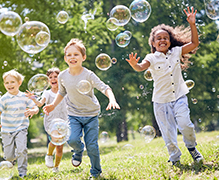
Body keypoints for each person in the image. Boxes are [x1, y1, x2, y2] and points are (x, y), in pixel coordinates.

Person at [125, 6, 203, 166]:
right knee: (168, 134)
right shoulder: (151, 57)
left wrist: (192, 24)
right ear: (153, 43)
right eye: (158, 38)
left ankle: (192, 148)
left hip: (179, 96)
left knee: (186, 125)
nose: (162, 40)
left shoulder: (176, 51)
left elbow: (194, 43)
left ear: (170, 41)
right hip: (161, 102)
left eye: (165, 38)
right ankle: (175, 158)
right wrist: (134, 64)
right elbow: (141, 67)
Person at [43, 38, 121, 178]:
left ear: (83, 57)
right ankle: (78, 150)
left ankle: (96, 173)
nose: (72, 57)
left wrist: (112, 98)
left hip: (91, 115)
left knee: (93, 147)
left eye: (76, 54)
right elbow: (62, 92)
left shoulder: (88, 75)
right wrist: (52, 105)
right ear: (65, 58)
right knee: (71, 139)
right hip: (73, 114)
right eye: (69, 55)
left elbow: (104, 87)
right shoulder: (62, 76)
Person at [0, 70, 39, 178]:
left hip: (21, 128)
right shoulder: (3, 99)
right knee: (8, 156)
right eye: (6, 83)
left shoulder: (24, 97)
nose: (9, 85)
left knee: (22, 150)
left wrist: (33, 111)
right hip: (7, 131)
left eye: (12, 82)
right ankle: (11, 161)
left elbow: (36, 107)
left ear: (19, 82)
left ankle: (22, 172)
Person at [25, 67, 68, 173]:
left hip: (64, 121)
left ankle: (56, 167)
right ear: (48, 81)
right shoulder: (47, 93)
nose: (53, 79)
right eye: (50, 77)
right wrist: (33, 99)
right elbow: (40, 104)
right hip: (51, 121)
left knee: (60, 147)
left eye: (55, 77)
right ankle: (49, 155)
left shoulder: (65, 91)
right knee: (54, 139)